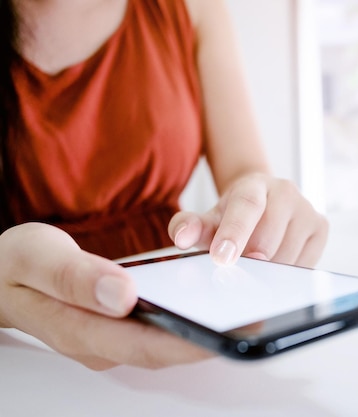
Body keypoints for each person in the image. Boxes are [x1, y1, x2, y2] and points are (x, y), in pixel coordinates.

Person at [0, 0, 328, 370]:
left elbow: (244, 170)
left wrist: (258, 203)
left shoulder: (192, 8)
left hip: (183, 308)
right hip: (20, 348)